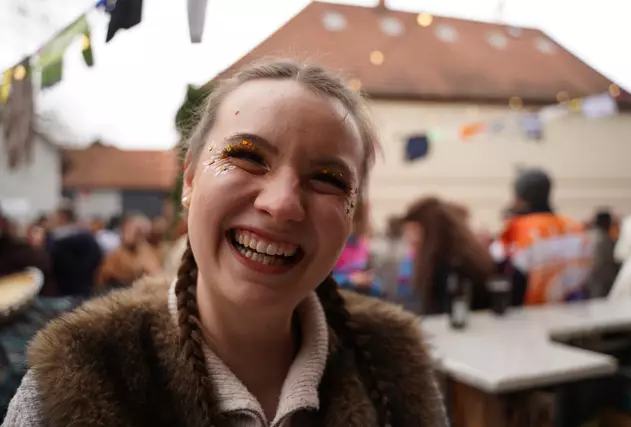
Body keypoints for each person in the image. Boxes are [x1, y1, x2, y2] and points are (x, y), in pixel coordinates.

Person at [3, 59, 447, 427]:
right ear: (190, 179)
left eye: (328, 179)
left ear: (353, 216)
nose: (282, 204)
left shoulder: (395, 370)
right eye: (247, 156)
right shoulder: (79, 376)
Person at [490, 168, 593, 305]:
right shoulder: (576, 229)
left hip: (532, 315)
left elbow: (497, 266)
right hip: (575, 313)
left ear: (520, 199)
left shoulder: (517, 230)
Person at [402, 197, 494, 315]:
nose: (411, 239)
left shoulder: (451, 267)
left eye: (415, 232)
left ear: (431, 232)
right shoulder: (464, 257)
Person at [46, 207, 103, 298]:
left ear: (62, 218)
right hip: (85, 290)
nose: (49, 223)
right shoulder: (87, 238)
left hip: (62, 292)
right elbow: (97, 259)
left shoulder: (56, 242)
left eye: (52, 219)